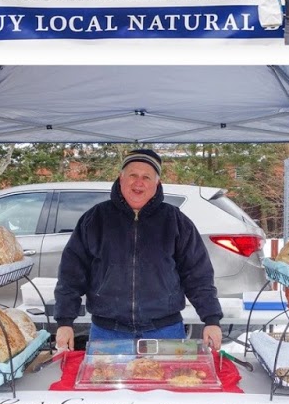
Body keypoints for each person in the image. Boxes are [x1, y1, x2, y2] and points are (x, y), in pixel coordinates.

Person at [52, 149, 225, 352]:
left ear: (156, 184)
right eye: (133, 175)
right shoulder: (95, 219)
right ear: (121, 178)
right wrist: (65, 321)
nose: (138, 183)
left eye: (146, 177)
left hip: (165, 330)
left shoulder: (176, 222)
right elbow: (70, 275)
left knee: (170, 383)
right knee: (105, 383)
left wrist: (211, 319)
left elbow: (198, 276)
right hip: (108, 333)